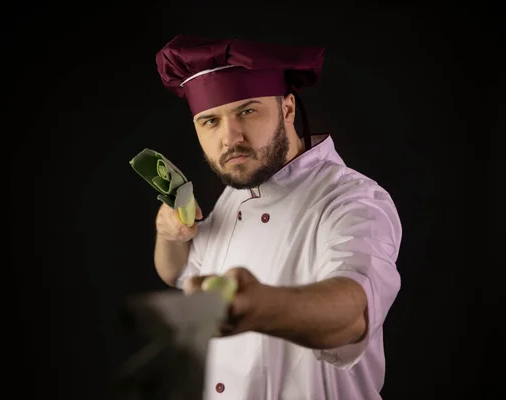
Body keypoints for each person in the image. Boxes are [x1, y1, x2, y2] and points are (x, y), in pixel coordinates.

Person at [152, 34, 402, 400]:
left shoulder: (352, 199)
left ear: (287, 110)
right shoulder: (233, 196)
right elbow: (177, 272)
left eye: (247, 111)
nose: (229, 138)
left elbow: (353, 315)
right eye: (210, 121)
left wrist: (261, 309)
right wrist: (168, 235)